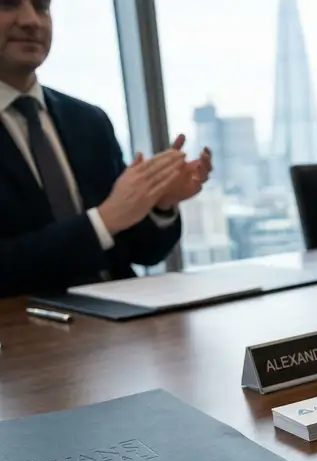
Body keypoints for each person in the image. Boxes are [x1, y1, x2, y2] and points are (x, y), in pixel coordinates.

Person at [0, 0, 211, 298]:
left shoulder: (88, 121)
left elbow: (142, 251)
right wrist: (102, 221)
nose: (31, 20)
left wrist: (159, 204)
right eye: (8, 5)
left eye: (41, 6)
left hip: (122, 323)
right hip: (27, 333)